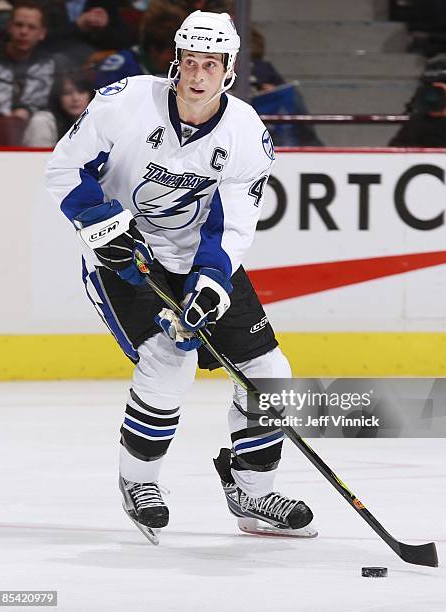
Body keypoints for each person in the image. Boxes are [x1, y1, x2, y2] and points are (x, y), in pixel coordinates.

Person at [45, 10, 316, 543]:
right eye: (190, 62)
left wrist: (212, 280)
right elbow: (64, 169)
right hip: (124, 257)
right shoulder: (124, 101)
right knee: (169, 363)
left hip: (197, 257)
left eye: (209, 65)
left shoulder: (245, 134)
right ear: (176, 60)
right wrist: (100, 224)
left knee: (270, 371)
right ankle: (139, 482)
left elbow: (233, 224)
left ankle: (254, 491)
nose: (197, 75)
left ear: (229, 69)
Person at [0, 1, 61, 120]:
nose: (24, 32)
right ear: (9, 27)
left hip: (29, 124)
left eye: (32, 27)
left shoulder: (47, 63)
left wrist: (25, 110)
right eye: (19, 25)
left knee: (43, 119)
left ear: (42, 33)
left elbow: (44, 103)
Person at [94, 4, 185, 88]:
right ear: (153, 49)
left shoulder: (178, 71)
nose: (176, 59)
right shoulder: (120, 68)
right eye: (172, 53)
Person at [22, 71, 94, 146]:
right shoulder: (42, 121)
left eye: (81, 92)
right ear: (57, 97)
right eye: (67, 93)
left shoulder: (96, 119)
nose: (75, 98)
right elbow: (38, 157)